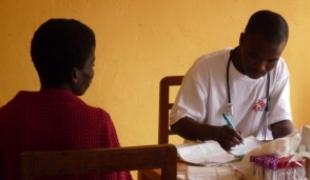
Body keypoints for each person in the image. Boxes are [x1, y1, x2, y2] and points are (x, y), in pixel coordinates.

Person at [0, 19, 132, 180]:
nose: (92, 72)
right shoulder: (99, 122)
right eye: (92, 64)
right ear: (75, 75)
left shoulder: (6, 118)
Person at [170, 10, 294, 151]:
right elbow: (178, 122)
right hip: (205, 160)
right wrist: (214, 134)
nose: (261, 67)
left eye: (271, 61)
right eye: (254, 56)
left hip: (253, 160)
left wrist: (292, 147)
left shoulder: (280, 69)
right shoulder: (206, 67)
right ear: (242, 40)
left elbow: (281, 122)